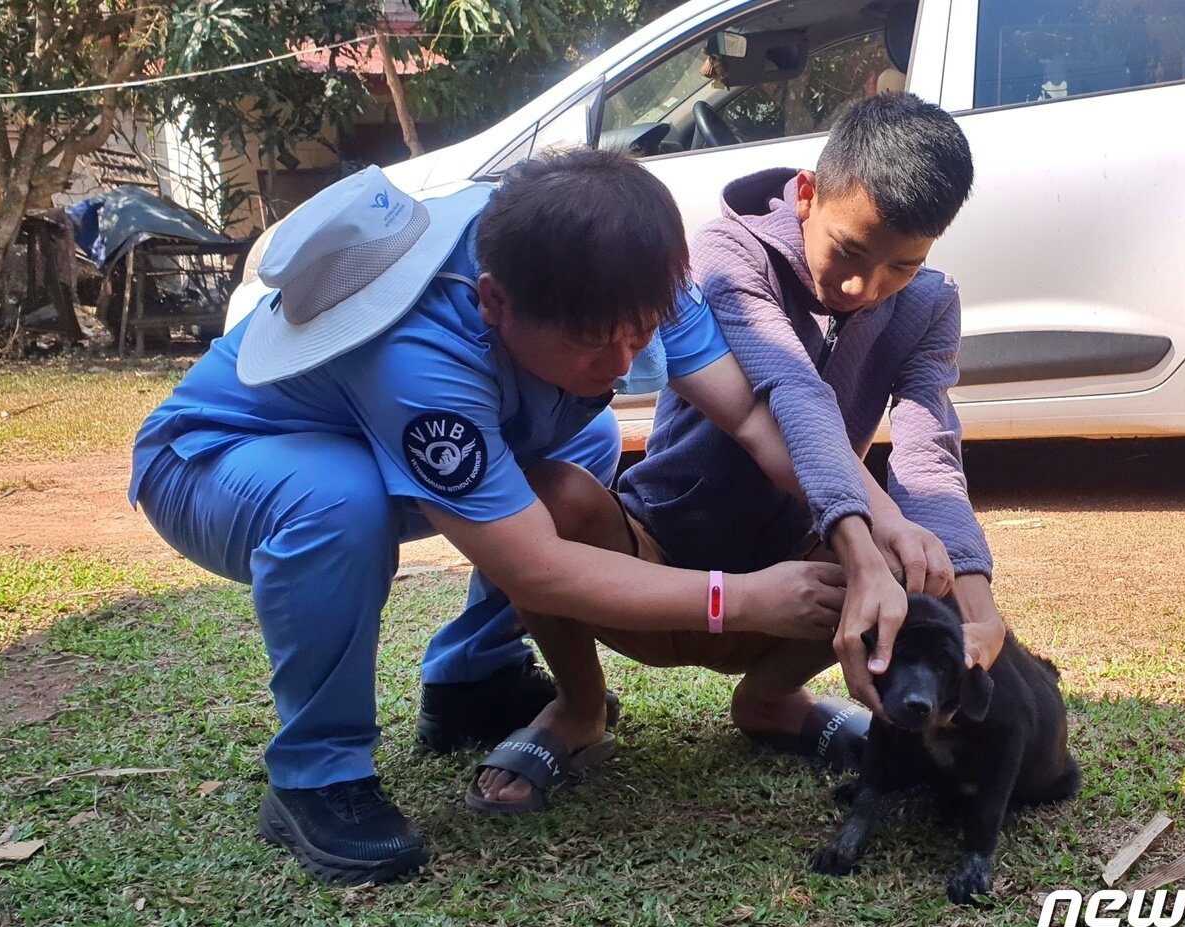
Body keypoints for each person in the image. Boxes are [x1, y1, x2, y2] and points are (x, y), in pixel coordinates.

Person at [128, 150, 851, 885]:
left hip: (361, 437)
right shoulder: (421, 353)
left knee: (583, 435)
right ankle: (317, 773)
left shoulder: (617, 261)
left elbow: (752, 419)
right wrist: (740, 598)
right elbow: (537, 565)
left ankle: (472, 679)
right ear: (493, 301)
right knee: (338, 499)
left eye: (640, 334)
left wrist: (866, 524)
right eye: (593, 341)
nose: (621, 361)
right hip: (211, 462)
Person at [470, 94, 1007, 813]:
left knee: (922, 558)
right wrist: (862, 541)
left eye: (902, 267)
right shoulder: (728, 254)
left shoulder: (931, 307)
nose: (864, 288)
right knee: (553, 496)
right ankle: (578, 706)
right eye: (849, 252)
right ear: (808, 195)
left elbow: (927, 452)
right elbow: (791, 391)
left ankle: (771, 699)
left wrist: (977, 607)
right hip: (655, 566)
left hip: (796, 587)